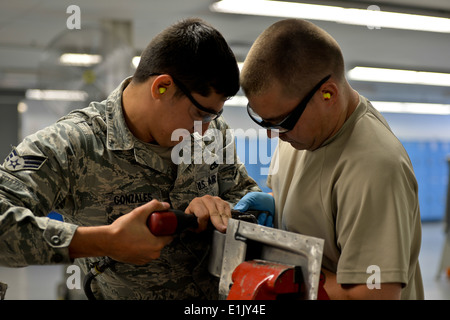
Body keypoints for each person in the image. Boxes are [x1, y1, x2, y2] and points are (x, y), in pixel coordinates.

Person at [0, 18, 260, 299]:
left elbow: (247, 199)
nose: (207, 127)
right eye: (202, 114)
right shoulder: (70, 145)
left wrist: (225, 210)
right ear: (162, 87)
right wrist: (104, 242)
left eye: (215, 115)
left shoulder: (212, 136)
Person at [235, 18, 423, 299]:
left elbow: (374, 292)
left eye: (281, 121)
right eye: (265, 122)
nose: (275, 136)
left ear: (328, 94)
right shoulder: (299, 133)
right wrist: (276, 207)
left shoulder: (374, 167)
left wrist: (286, 282)